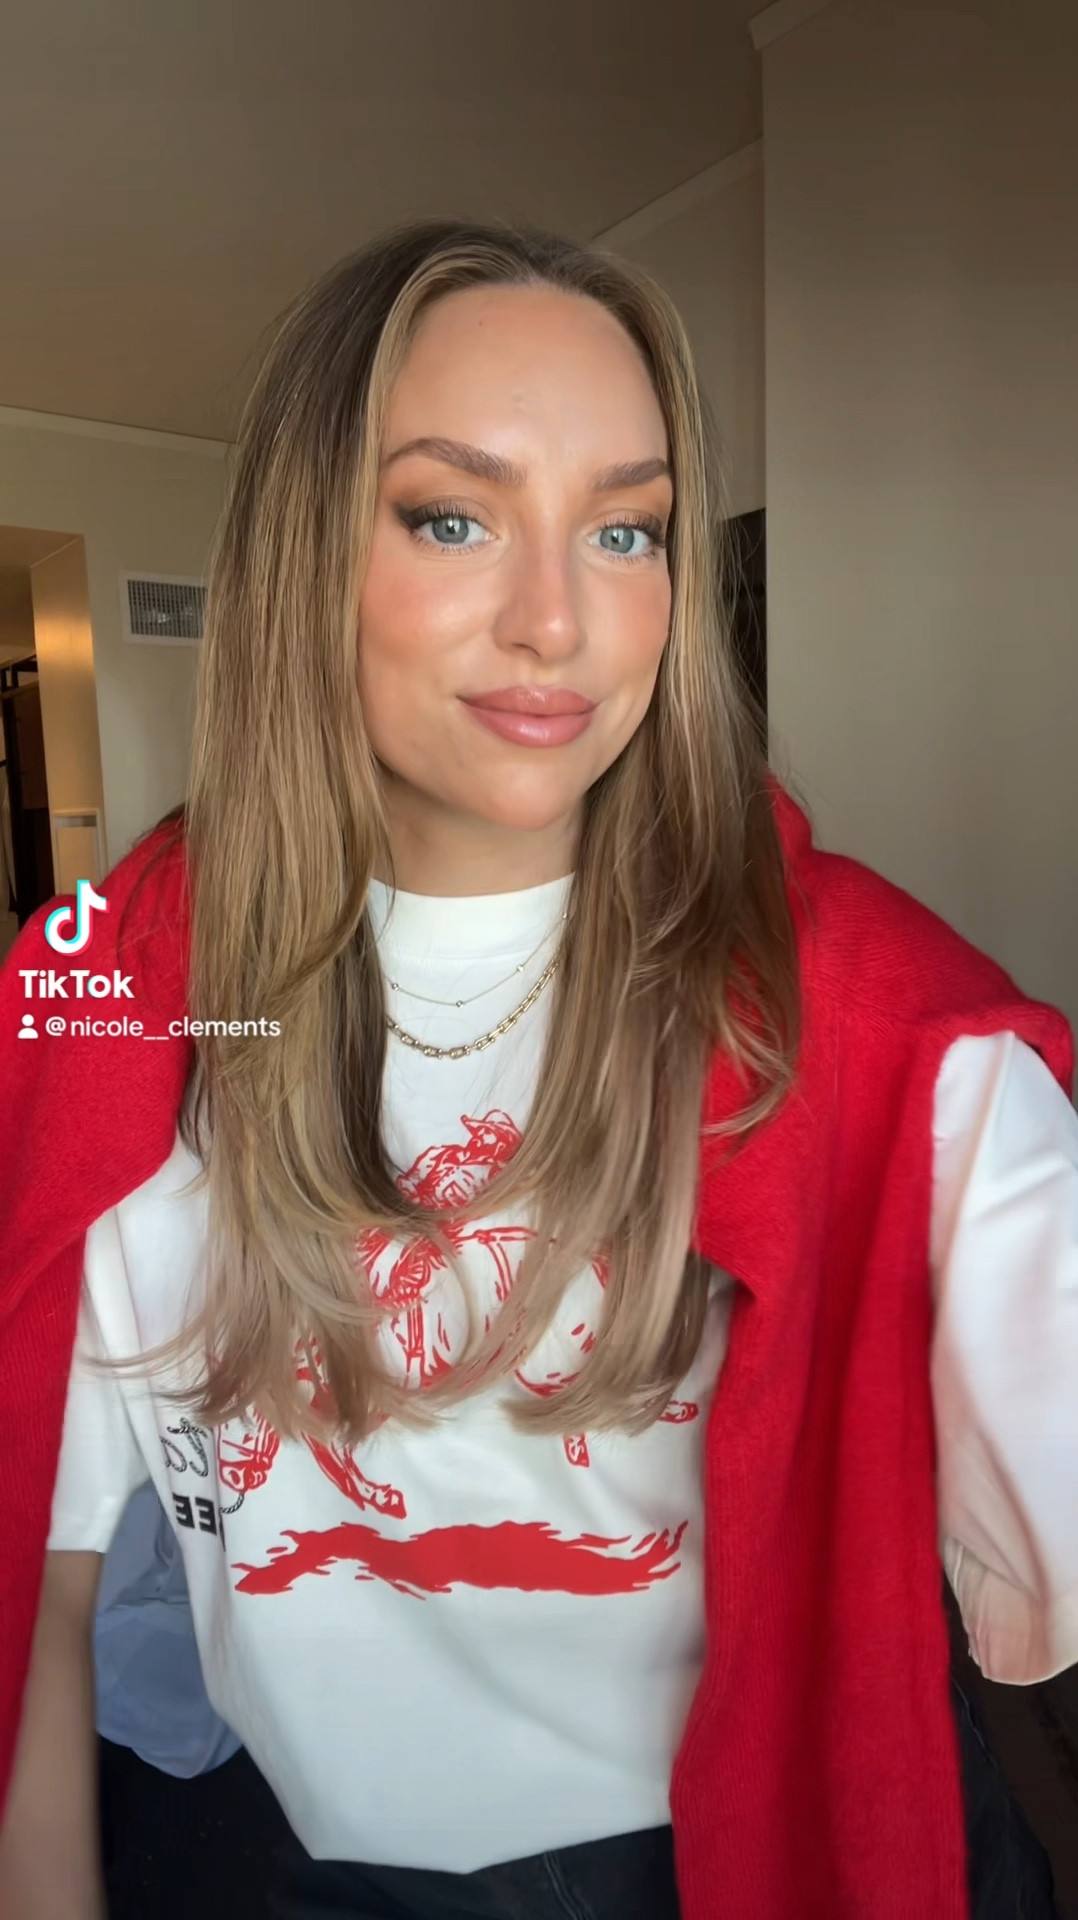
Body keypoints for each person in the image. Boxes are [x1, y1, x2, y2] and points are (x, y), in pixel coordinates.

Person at [0, 219, 1074, 1920]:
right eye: (452, 515)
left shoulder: (889, 1031)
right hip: (294, 1875)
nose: (558, 620)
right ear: (306, 558)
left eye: (626, 529)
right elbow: (38, 1595)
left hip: (758, 1866)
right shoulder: (107, 1008)